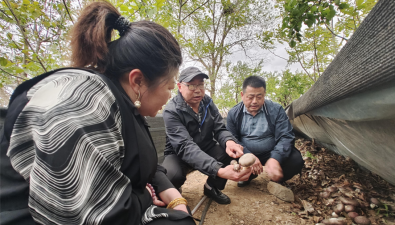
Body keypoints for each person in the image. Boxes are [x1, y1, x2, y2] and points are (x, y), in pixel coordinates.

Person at [0, 2, 195, 225]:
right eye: (169, 87)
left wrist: (169, 194)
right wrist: (146, 196)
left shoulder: (117, 100)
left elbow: (138, 162)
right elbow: (91, 216)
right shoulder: (85, 105)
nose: (169, 96)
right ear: (138, 80)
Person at [161, 67, 252, 205]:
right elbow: (184, 146)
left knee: (229, 153)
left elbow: (219, 128)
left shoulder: (208, 103)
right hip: (178, 152)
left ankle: (211, 187)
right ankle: (174, 187)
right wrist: (218, 170)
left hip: (205, 146)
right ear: (180, 87)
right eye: (191, 85)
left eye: (201, 84)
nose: (197, 90)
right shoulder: (171, 110)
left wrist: (229, 141)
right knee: (170, 175)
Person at [227, 76, 304, 188]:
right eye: (250, 97)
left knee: (295, 159)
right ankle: (248, 175)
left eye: (259, 97)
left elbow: (286, 136)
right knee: (226, 155)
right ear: (242, 95)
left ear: (264, 95)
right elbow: (232, 139)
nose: (254, 101)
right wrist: (248, 156)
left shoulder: (276, 110)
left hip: (270, 151)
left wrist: (275, 158)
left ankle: (276, 179)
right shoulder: (233, 113)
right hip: (245, 153)